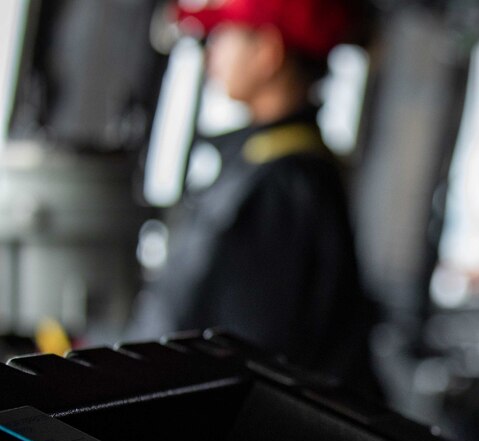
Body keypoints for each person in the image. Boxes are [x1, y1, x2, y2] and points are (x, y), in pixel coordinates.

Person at [130, 0, 378, 394]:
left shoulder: (283, 183)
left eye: (223, 36)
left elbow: (246, 356)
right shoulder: (279, 165)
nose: (211, 52)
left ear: (267, 52)